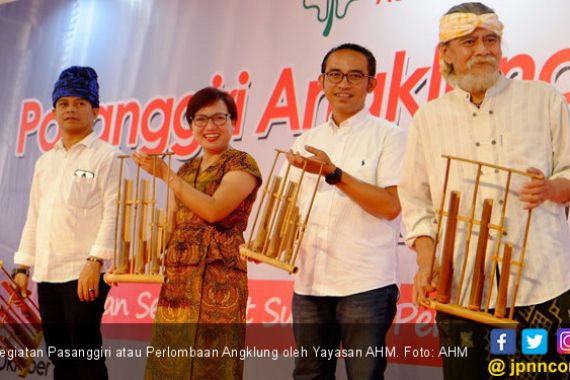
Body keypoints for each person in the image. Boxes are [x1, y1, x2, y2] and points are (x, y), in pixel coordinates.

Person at [399, 2, 570, 379]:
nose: (483, 50)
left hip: (541, 283)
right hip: (458, 287)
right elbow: (416, 201)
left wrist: (552, 188)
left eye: (491, 39)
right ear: (445, 52)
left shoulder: (543, 98)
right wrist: (427, 263)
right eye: (469, 41)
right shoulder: (428, 119)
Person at [285, 43, 406, 380]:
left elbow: (391, 206)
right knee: (308, 374)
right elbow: (288, 206)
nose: (343, 84)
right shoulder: (304, 140)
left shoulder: (390, 137)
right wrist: (268, 244)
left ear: (372, 84)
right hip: (309, 283)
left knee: (364, 375)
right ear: (321, 82)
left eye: (355, 76)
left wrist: (333, 174)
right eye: (335, 75)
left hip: (365, 282)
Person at [132, 87, 262, 380]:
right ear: (191, 125)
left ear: (233, 122)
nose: (210, 127)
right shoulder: (186, 168)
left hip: (219, 279)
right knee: (170, 362)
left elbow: (214, 210)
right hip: (177, 281)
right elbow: (169, 224)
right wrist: (135, 262)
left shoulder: (242, 163)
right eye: (200, 120)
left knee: (211, 364)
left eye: (219, 118)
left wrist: (166, 175)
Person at [12, 66, 121, 379]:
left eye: (79, 103)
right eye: (64, 104)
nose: (71, 109)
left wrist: (95, 261)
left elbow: (114, 210)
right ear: (54, 112)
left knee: (85, 356)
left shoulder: (107, 156)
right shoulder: (45, 162)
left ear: (96, 111)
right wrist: (23, 267)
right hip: (47, 273)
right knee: (60, 358)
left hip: (84, 273)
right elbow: (34, 214)